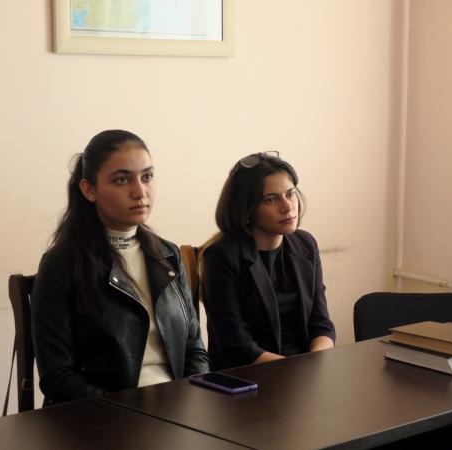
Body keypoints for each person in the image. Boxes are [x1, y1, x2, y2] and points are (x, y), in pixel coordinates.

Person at [32, 130, 208, 404]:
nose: (140, 192)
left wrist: (193, 401)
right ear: (89, 190)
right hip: (106, 414)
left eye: (147, 177)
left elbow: (195, 350)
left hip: (176, 407)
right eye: (122, 180)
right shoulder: (62, 264)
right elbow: (58, 377)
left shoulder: (168, 255)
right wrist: (131, 409)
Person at [201, 151, 336, 370]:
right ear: (246, 208)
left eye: (290, 194)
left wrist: (315, 364)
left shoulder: (305, 244)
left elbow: (321, 323)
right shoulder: (221, 256)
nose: (288, 207)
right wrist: (297, 371)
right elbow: (238, 346)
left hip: (303, 372)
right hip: (250, 376)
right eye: (271, 200)